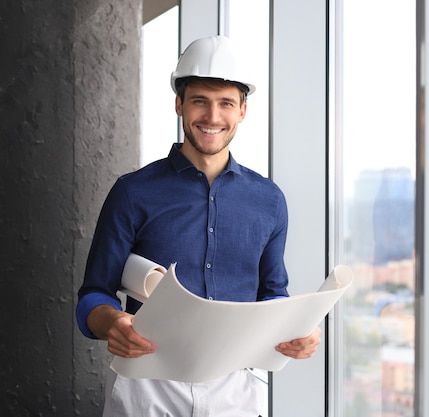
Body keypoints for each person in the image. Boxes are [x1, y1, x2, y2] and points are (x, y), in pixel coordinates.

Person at [75, 35, 321, 417]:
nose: (212, 117)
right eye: (199, 101)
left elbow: (273, 293)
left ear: (242, 111)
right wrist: (113, 323)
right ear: (179, 104)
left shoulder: (269, 200)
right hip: (147, 388)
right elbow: (93, 297)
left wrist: (295, 331)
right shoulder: (132, 192)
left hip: (235, 390)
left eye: (225, 103)